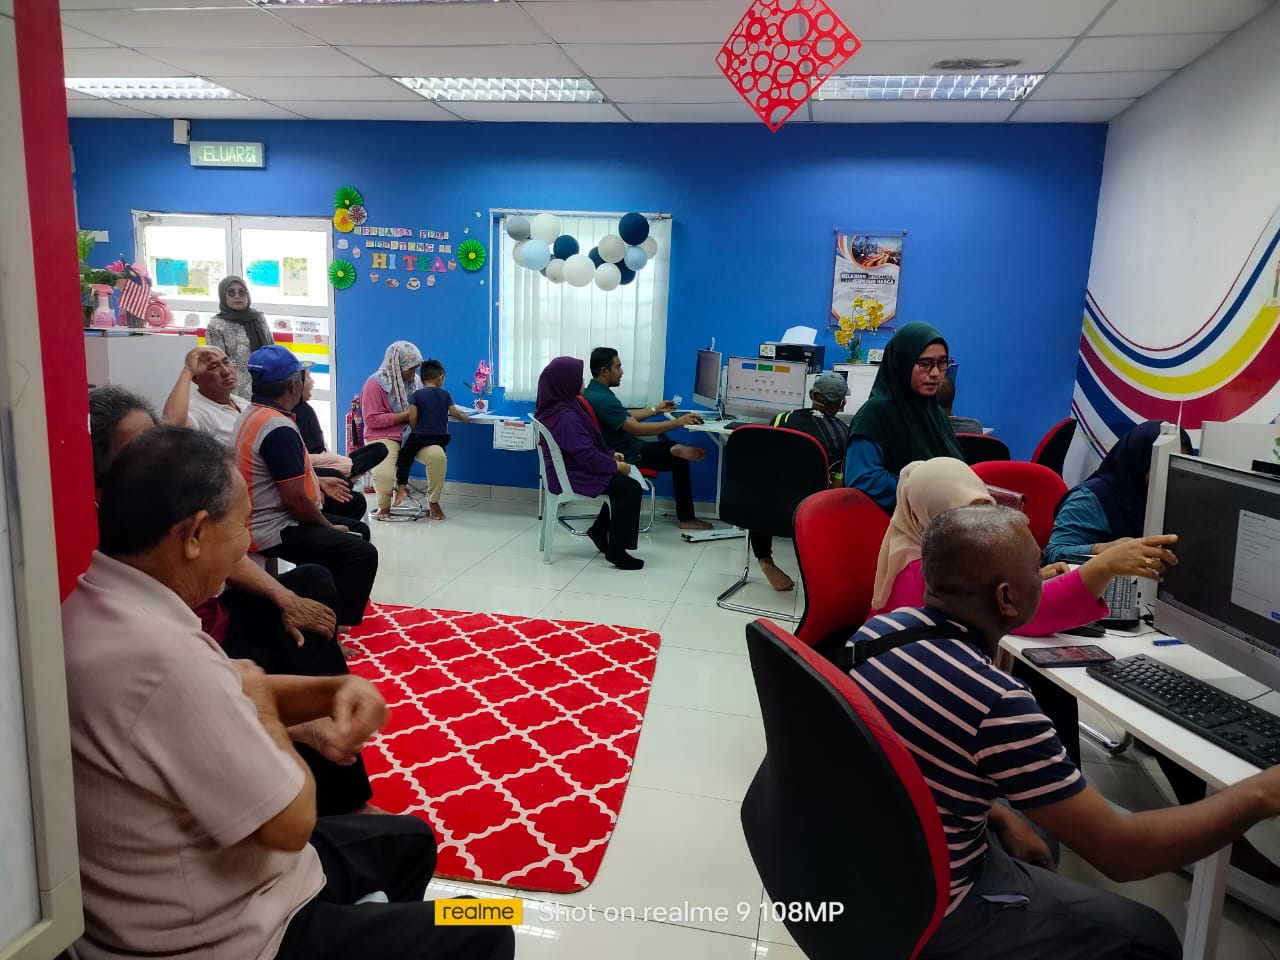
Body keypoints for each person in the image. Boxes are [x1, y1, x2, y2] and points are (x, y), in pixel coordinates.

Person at [64, 426, 514, 960]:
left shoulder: (100, 604)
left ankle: (374, 921)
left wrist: (335, 689)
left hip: (241, 878)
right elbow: (291, 824)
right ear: (195, 534)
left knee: (409, 839)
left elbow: (233, 684)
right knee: (491, 923)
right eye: (243, 525)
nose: (247, 544)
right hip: (236, 933)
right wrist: (268, 717)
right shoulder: (165, 660)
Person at [848, 504, 1280, 959]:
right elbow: (1121, 854)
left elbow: (915, 761)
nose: (1047, 577)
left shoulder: (880, 632)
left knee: (1037, 825)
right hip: (936, 910)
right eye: (1037, 569)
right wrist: (1259, 795)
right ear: (1007, 599)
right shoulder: (998, 701)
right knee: (1148, 936)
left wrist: (998, 815)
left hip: (875, 860)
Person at [90, 386, 375, 814]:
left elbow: (230, 553)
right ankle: (329, 795)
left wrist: (284, 599)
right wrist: (289, 726)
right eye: (134, 456)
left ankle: (343, 791)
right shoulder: (130, 563)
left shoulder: (173, 506)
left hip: (216, 618)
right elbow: (290, 833)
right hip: (206, 643)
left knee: (309, 591)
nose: (153, 463)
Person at [870, 457, 1178, 634]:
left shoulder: (922, 552)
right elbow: (1026, 612)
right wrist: (1104, 566)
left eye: (986, 509)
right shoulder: (928, 571)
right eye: (963, 517)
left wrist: (1027, 580)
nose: (980, 526)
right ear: (928, 517)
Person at [233, 345, 379, 628]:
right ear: (294, 385)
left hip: (260, 517)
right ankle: (332, 627)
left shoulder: (253, 414)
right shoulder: (278, 428)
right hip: (269, 527)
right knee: (360, 552)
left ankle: (326, 601)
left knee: (356, 527)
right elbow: (295, 501)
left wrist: (318, 481)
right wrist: (326, 527)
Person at [583, 346, 713, 531]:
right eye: (618, 367)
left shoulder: (593, 393)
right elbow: (636, 429)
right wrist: (678, 422)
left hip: (625, 445)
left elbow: (623, 415)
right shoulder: (604, 399)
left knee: (660, 437)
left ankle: (673, 448)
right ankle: (687, 518)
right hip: (628, 454)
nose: (622, 372)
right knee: (680, 461)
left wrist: (655, 410)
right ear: (604, 371)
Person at [536, 356, 645, 570]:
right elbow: (585, 455)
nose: (583, 381)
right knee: (630, 488)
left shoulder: (563, 406)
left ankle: (599, 532)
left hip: (573, 468)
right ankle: (617, 551)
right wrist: (615, 466)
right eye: (579, 377)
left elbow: (586, 444)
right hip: (574, 475)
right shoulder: (566, 417)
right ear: (566, 381)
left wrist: (610, 454)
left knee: (623, 485)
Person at [843, 321, 963, 513]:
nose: (935, 373)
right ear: (902, 365)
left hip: (939, 519)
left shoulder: (935, 413)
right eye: (925, 364)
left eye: (942, 363)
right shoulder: (875, 414)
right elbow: (864, 479)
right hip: (894, 522)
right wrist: (927, 491)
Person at [750, 371, 852, 592]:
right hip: (810, 514)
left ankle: (765, 561)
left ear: (811, 394)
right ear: (842, 404)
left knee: (763, 485)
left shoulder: (780, 419)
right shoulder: (844, 434)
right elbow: (837, 484)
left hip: (767, 510)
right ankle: (820, 572)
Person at [1044, 419, 1192, 564]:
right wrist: (1103, 549)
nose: (1175, 477)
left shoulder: (1174, 500)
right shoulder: (1091, 498)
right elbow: (1053, 553)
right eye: (1166, 465)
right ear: (1140, 459)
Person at [392, 358, 470, 521]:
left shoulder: (417, 395)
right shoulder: (445, 394)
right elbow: (455, 413)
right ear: (441, 378)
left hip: (420, 436)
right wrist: (464, 418)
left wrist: (415, 429)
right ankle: (433, 499)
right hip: (440, 438)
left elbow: (412, 417)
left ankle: (401, 489)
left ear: (423, 379)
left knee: (404, 458)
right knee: (438, 457)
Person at [359, 340, 428, 520]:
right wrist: (407, 415)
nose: (414, 373)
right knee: (384, 473)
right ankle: (384, 508)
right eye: (410, 369)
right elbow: (372, 420)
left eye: (416, 368)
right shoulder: (375, 384)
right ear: (397, 366)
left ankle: (434, 504)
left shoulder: (416, 382)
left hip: (411, 433)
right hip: (383, 435)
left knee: (437, 457)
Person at [294, 367, 388, 482]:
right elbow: (306, 458)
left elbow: (321, 445)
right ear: (297, 383)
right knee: (376, 452)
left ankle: (348, 475)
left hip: (327, 460)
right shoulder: (293, 413)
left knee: (379, 448)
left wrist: (335, 459)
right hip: (317, 464)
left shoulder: (306, 409)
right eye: (308, 377)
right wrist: (339, 462)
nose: (313, 382)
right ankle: (348, 477)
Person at [205, 276, 274, 401]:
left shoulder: (258, 318)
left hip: (265, 383)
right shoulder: (217, 325)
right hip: (236, 390)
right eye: (231, 292)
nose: (237, 296)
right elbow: (216, 364)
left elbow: (271, 348)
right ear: (223, 296)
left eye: (242, 292)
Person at [161, 345, 245, 444]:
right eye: (214, 367)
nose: (226, 372)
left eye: (226, 362)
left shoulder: (240, 402)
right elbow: (172, 425)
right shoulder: (197, 410)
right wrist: (188, 369)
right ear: (196, 379)